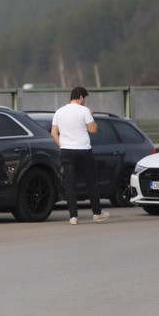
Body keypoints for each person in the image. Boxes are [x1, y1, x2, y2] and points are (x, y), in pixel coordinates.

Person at [51, 86, 109, 225]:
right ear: (81, 97)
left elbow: (53, 133)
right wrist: (91, 114)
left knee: (70, 184)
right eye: (85, 99)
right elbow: (93, 130)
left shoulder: (59, 112)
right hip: (83, 150)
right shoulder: (84, 111)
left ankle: (73, 217)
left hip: (66, 151)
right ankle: (96, 213)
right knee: (91, 182)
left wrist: (63, 145)